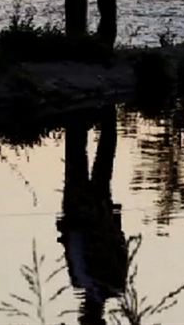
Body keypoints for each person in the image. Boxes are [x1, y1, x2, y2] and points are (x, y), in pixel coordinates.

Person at [57, 117, 128, 324]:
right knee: (102, 161)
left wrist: (64, 234)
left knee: (76, 161)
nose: (81, 314)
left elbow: (73, 252)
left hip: (74, 215)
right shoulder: (113, 285)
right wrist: (115, 222)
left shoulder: (78, 283)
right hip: (97, 218)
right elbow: (120, 250)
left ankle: (76, 119)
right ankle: (107, 114)